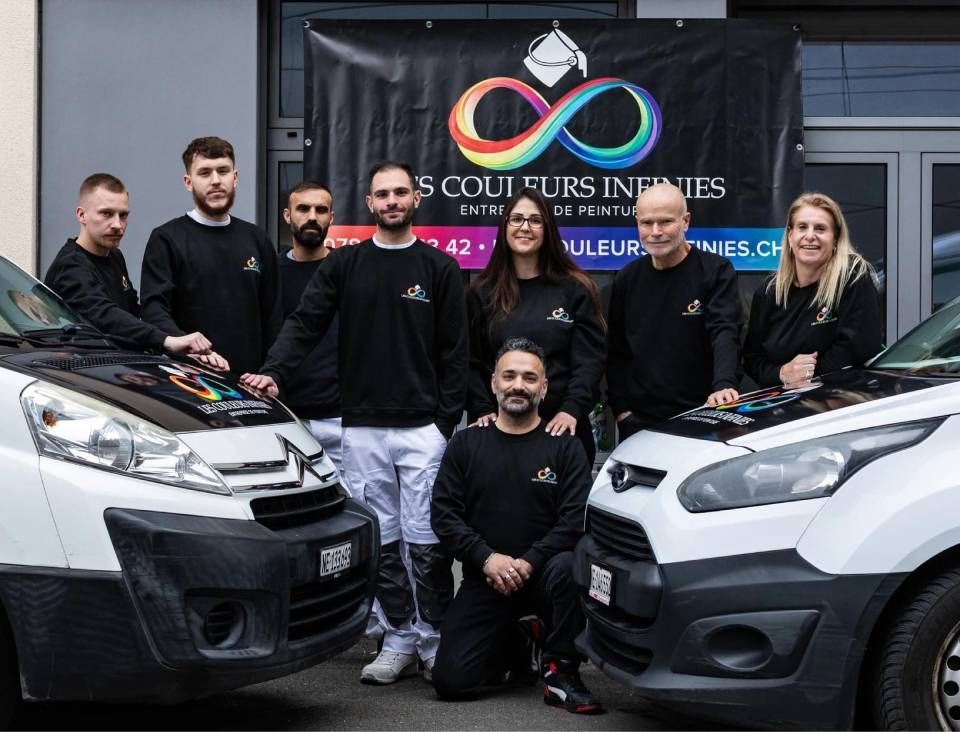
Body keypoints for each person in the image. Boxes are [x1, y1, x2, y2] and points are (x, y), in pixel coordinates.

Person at [241, 161, 468, 685]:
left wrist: (443, 423)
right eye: (382, 194)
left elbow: (456, 353)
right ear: (369, 204)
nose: (392, 201)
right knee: (383, 542)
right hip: (361, 427)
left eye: (400, 192)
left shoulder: (439, 268)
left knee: (427, 544)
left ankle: (434, 640)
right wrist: (275, 371)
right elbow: (305, 323)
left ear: (416, 198)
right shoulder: (346, 265)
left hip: (422, 430)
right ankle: (399, 638)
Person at [431, 337, 601, 714]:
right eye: (509, 376)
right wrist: (486, 558)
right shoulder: (466, 444)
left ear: (544, 388)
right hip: (486, 578)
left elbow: (575, 519)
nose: (518, 385)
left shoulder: (565, 447)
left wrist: (528, 562)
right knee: (451, 682)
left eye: (529, 378)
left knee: (570, 565)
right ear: (494, 383)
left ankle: (561, 672)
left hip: (544, 578)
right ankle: (520, 639)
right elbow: (444, 515)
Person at [467, 187, 605, 466]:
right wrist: (481, 408)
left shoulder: (576, 289)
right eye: (516, 219)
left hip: (562, 430)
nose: (525, 227)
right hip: (498, 432)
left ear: (548, 229)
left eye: (535, 220)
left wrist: (571, 410)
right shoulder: (481, 293)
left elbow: (589, 362)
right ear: (505, 227)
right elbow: (470, 361)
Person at [607, 183, 743, 441]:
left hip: (704, 416)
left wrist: (724, 385)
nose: (655, 232)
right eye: (647, 223)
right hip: (640, 424)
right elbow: (617, 351)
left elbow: (724, 332)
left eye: (666, 222)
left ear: (686, 221)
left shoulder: (715, 271)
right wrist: (622, 411)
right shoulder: (627, 278)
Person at [140, 137, 281, 373]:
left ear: (235, 178)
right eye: (204, 173)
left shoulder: (258, 239)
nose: (216, 180)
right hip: (190, 381)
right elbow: (154, 309)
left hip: (251, 383)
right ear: (188, 182)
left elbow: (274, 318)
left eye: (223, 171)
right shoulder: (167, 239)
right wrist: (185, 344)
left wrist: (272, 373)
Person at [44, 173, 221, 361]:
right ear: (82, 215)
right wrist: (168, 341)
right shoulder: (70, 266)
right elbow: (105, 316)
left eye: (123, 215)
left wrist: (185, 348)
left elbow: (133, 315)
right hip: (80, 370)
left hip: (118, 364)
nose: (117, 224)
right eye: (106, 214)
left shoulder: (114, 255)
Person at [743, 192, 882, 387]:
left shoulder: (853, 276)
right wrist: (782, 374)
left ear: (835, 238)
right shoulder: (769, 292)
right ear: (790, 235)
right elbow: (752, 359)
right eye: (802, 227)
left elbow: (859, 348)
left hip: (843, 398)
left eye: (820, 228)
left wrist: (807, 376)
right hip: (784, 402)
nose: (810, 236)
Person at [278, 180, 342, 474]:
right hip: (287, 415)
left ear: (331, 217)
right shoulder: (271, 273)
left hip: (342, 419)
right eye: (303, 209)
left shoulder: (346, 269)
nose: (312, 217)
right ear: (287, 215)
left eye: (321, 210)